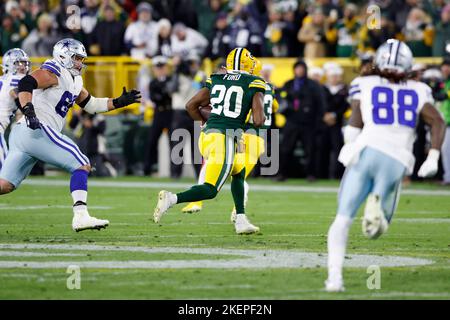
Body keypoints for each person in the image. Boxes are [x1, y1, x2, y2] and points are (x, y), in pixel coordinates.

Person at [325, 39, 445, 292]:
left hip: (367, 150)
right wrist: (433, 156)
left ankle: (334, 279)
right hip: (397, 160)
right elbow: (437, 122)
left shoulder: (363, 83)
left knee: (342, 219)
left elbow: (355, 122)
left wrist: (349, 144)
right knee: (375, 231)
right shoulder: (419, 89)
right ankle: (376, 200)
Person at [0, 38, 141, 232]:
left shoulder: (74, 80)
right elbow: (26, 83)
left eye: (81, 59)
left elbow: (91, 105)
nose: (80, 63)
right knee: (81, 163)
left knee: (5, 185)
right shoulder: (54, 71)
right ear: (63, 56)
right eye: (76, 58)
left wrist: (118, 102)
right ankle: (81, 215)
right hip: (36, 128)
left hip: (22, 135)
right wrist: (28, 109)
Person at [153, 47, 265, 235]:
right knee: (211, 189)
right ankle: (171, 199)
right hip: (225, 137)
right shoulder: (254, 82)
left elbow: (190, 105)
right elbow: (260, 120)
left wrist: (206, 121)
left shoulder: (216, 78)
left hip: (207, 135)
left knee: (239, 170)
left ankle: (241, 219)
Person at [0, 48, 30, 170]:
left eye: (25, 63)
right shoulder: (15, 78)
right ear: (9, 64)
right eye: (19, 63)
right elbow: (15, 93)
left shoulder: (3, 79)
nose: (23, 67)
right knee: (4, 174)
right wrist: (27, 111)